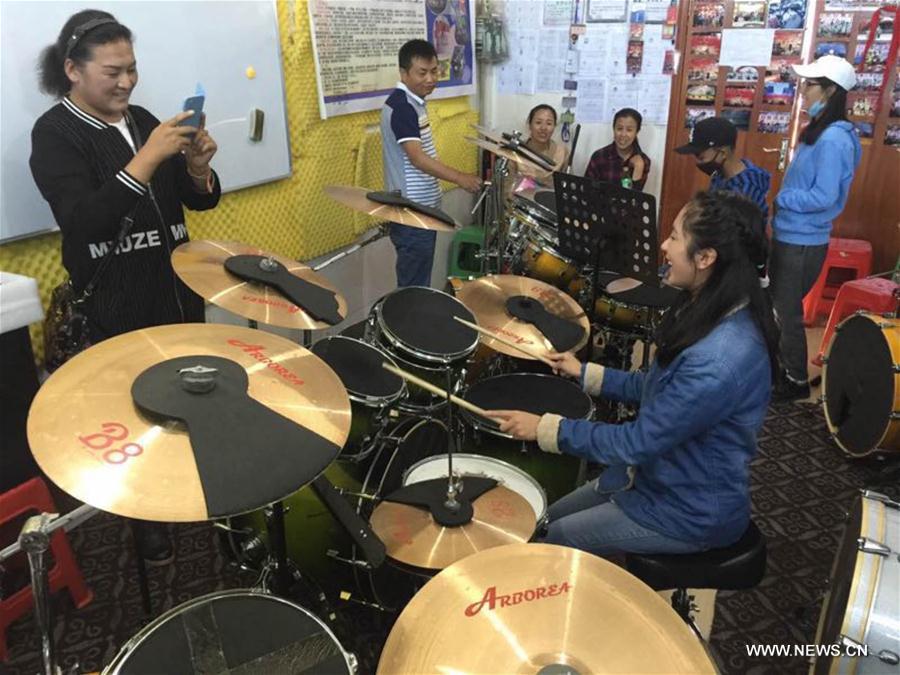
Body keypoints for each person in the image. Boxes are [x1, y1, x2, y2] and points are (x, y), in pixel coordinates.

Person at [488, 191, 778, 556]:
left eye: (674, 236)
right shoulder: (709, 306)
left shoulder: (719, 359)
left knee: (549, 542)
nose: (663, 246)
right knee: (540, 520)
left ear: (705, 258)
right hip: (651, 477)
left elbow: (636, 442)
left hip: (686, 510)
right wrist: (585, 372)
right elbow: (659, 388)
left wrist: (545, 428)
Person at [30, 10, 220, 564]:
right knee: (138, 420)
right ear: (72, 69)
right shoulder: (54, 135)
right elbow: (84, 220)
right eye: (113, 71)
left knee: (190, 402)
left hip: (177, 293)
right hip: (119, 306)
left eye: (132, 69)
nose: (127, 83)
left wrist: (199, 169)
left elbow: (197, 201)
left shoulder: (142, 119)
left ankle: (196, 491)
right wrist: (149, 156)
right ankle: (145, 521)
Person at [769, 55, 861, 402]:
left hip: (801, 240)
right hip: (792, 234)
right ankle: (781, 369)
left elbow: (824, 195)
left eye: (809, 84)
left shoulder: (834, 139)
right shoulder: (822, 132)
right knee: (781, 306)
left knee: (786, 310)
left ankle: (793, 380)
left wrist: (785, 198)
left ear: (831, 90)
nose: (802, 90)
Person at [381, 39, 481, 288]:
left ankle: (414, 322)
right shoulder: (402, 107)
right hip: (412, 213)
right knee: (413, 287)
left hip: (422, 210)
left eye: (434, 71)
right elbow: (417, 158)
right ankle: (406, 325)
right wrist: (460, 178)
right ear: (403, 73)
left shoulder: (414, 103)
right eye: (422, 73)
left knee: (418, 283)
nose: (430, 79)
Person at [675, 117, 771, 226]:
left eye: (701, 156)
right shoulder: (721, 175)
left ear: (723, 153)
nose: (697, 161)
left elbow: (732, 230)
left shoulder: (747, 186)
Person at [585, 108, 651, 191]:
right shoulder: (599, 156)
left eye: (629, 130)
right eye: (619, 129)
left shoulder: (643, 161)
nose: (623, 134)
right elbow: (587, 190)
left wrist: (638, 169)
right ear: (613, 129)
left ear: (637, 132)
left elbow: (634, 200)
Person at [512, 104, 568, 190]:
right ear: (530, 125)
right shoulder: (515, 152)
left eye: (549, 123)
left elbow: (564, 185)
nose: (543, 128)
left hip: (550, 201)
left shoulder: (562, 152)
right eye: (538, 122)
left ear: (554, 126)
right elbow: (507, 187)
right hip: (521, 200)